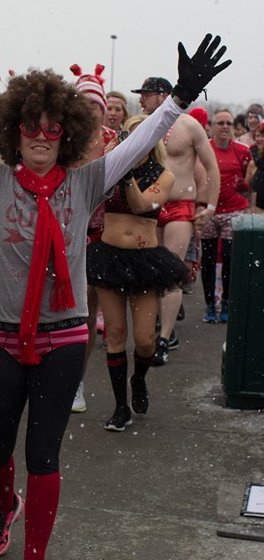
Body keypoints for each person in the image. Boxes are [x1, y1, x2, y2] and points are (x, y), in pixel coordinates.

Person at [0, 13, 230, 560]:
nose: (41, 137)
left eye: (52, 129)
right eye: (30, 128)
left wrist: (179, 98)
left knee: (43, 454)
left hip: (64, 338)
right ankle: (2, 503)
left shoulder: (88, 179)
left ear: (65, 134)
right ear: (16, 131)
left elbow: (140, 138)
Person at [86, 115, 187, 430]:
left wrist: (126, 171)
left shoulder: (164, 175)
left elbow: (143, 205)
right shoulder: (109, 168)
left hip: (145, 261)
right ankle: (120, 408)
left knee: (144, 342)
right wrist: (111, 158)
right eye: (131, 133)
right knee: (115, 334)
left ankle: (138, 379)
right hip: (108, 258)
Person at [132, 77, 220, 364]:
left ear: (162, 95)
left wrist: (211, 206)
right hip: (149, 206)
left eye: (146, 94)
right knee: (149, 274)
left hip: (181, 205)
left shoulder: (189, 126)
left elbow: (211, 166)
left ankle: (164, 337)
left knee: (170, 272)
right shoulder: (142, 125)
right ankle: (156, 327)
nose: (142, 100)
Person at [68, 65, 117, 413]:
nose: (90, 110)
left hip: (99, 237)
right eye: (84, 104)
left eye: (95, 105)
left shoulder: (113, 140)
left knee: (86, 313)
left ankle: (76, 382)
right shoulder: (62, 140)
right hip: (60, 234)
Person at [200, 109, 251, 323]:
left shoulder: (242, 150)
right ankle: (210, 304)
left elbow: (250, 182)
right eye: (220, 123)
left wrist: (245, 191)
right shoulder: (204, 150)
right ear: (211, 126)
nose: (224, 127)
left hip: (234, 210)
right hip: (209, 209)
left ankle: (227, 302)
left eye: (228, 123)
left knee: (230, 259)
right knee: (208, 260)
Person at [245, 121, 264, 212]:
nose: (260, 139)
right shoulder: (252, 162)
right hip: (257, 210)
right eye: (257, 136)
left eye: (263, 136)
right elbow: (246, 190)